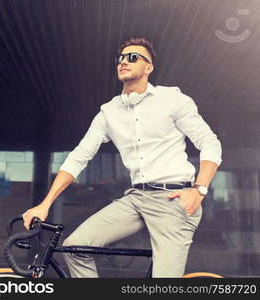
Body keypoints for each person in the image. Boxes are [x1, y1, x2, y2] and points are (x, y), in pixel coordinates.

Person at [23, 38, 222, 277]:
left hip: (173, 200)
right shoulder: (108, 112)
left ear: (149, 67)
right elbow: (79, 157)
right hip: (136, 198)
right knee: (76, 247)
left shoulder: (172, 100)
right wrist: (44, 205)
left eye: (133, 57)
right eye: (121, 58)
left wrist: (199, 190)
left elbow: (209, 142)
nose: (124, 62)